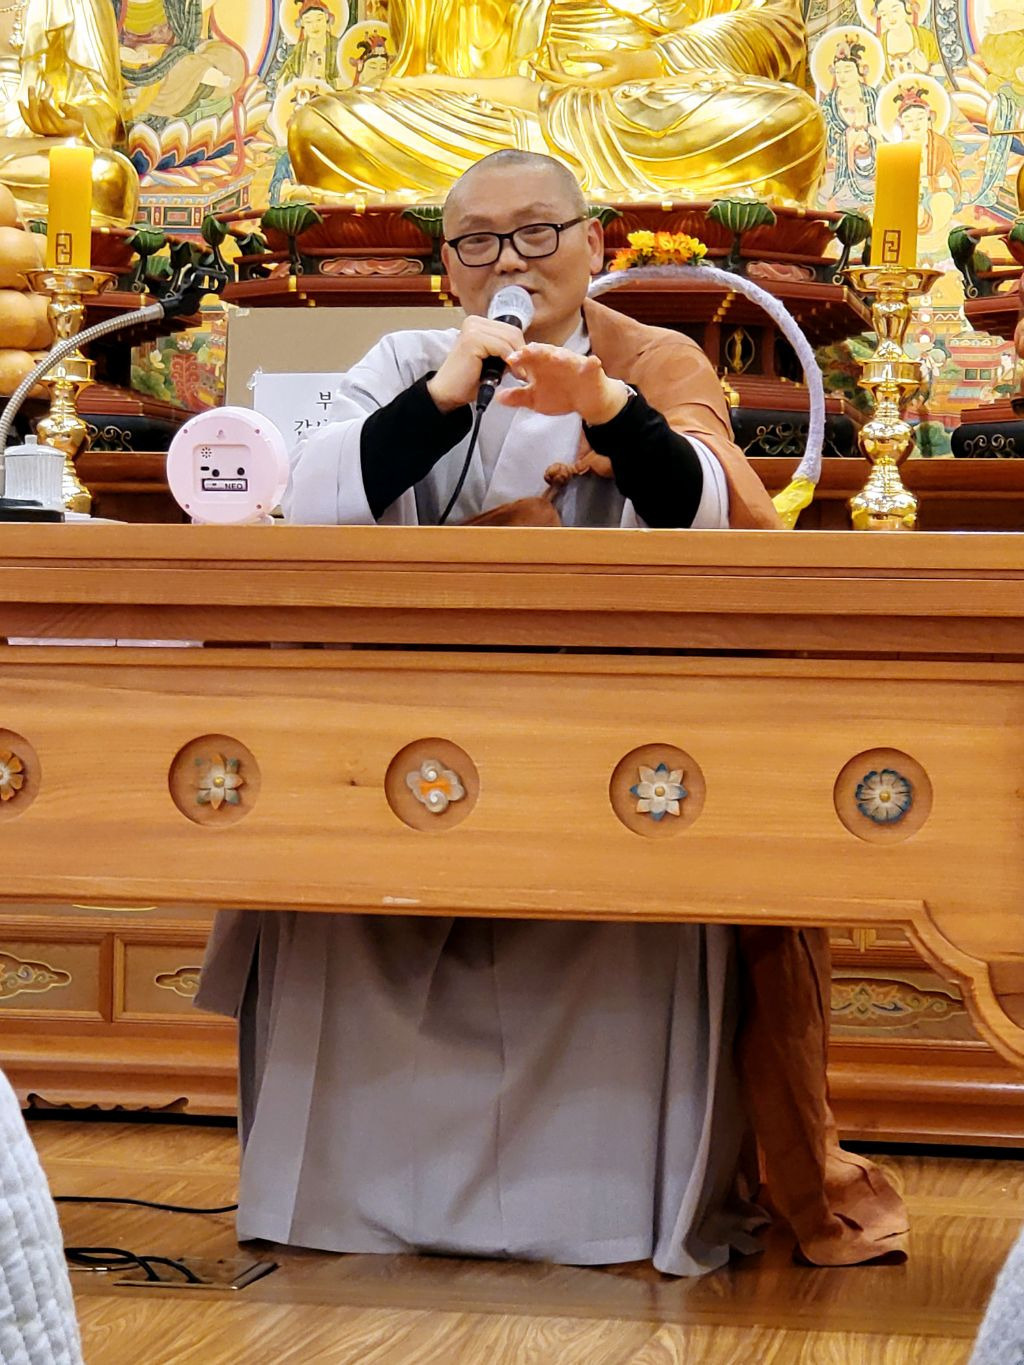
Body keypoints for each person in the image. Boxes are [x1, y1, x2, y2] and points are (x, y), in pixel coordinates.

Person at [197, 149, 907, 1274]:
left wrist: (609, 411)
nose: (509, 263)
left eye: (537, 233)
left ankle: (598, 1208)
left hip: (599, 735)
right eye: (478, 242)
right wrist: (441, 401)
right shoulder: (406, 359)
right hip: (403, 728)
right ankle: (350, 1198)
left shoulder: (653, 359)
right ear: (448, 268)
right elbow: (317, 501)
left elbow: (717, 517)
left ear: (593, 245)